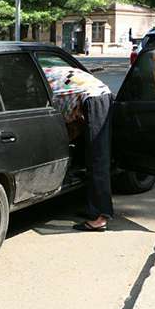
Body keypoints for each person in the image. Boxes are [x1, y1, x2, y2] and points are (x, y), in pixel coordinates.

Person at [44, 65, 114, 231]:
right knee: (92, 157)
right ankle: (94, 209)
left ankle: (101, 218)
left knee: (98, 159)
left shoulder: (47, 87)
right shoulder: (49, 72)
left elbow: (65, 118)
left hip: (95, 98)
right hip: (98, 96)